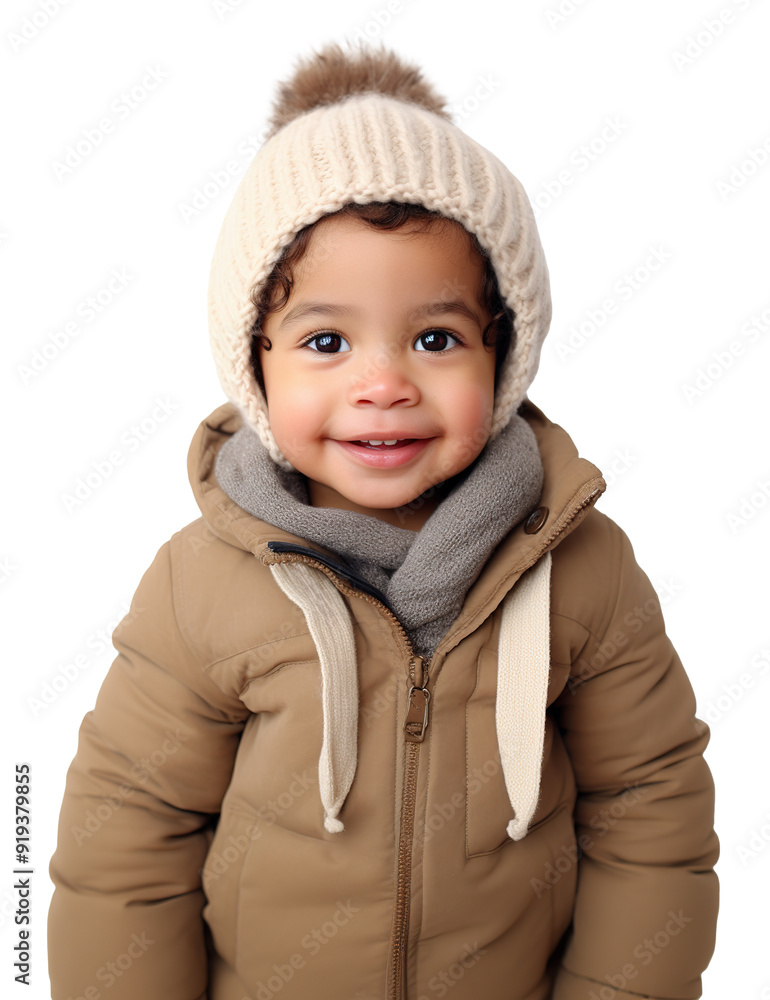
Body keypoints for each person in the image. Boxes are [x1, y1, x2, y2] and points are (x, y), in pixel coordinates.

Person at [47, 40, 719, 1000]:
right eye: (326, 340)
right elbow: (126, 830)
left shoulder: (583, 568)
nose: (383, 385)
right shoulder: (202, 583)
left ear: (505, 355)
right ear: (256, 366)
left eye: (435, 338)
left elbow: (651, 807)